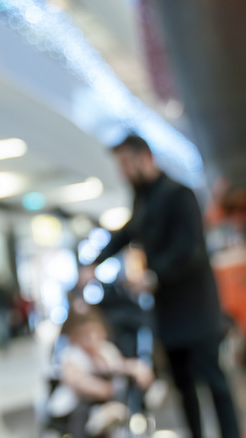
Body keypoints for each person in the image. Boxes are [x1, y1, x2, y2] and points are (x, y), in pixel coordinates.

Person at [81, 134, 241, 438]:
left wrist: (153, 276)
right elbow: (127, 233)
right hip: (167, 311)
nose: (123, 172)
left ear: (146, 158)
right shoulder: (142, 199)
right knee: (183, 386)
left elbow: (189, 250)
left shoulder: (180, 194)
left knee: (214, 382)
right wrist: (94, 262)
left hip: (196, 309)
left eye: (126, 164)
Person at [47, 309, 153, 437]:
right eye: (83, 334)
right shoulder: (71, 355)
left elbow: (122, 365)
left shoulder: (106, 350)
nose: (89, 339)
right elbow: (79, 382)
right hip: (77, 412)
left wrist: (139, 369)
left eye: (93, 332)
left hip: (108, 404)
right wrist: (106, 389)